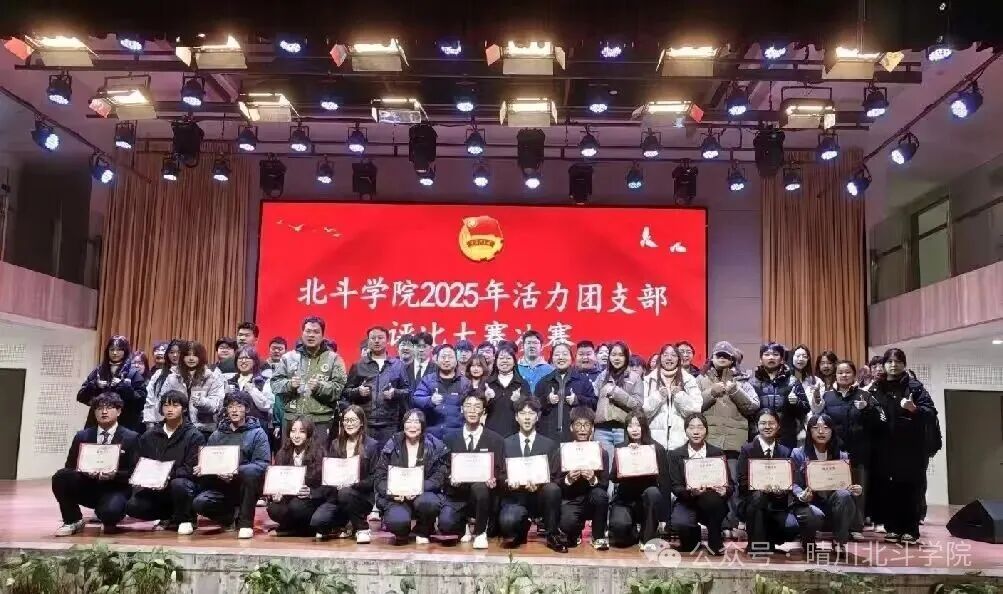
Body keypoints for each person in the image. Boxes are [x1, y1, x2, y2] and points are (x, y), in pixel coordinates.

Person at [870, 348, 936, 544]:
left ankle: (910, 530)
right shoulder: (877, 387)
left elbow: (931, 412)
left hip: (910, 448)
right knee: (888, 488)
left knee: (910, 488)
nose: (893, 365)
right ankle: (892, 528)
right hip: (885, 447)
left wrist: (914, 409)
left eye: (898, 361)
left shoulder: (914, 386)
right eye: (889, 361)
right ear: (883, 365)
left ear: (904, 364)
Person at [52, 393, 140, 536]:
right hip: (88, 485)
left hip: (115, 488)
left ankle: (108, 515)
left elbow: (135, 473)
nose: (104, 412)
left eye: (109, 408)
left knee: (110, 513)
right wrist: (84, 471)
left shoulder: (131, 437)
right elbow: (70, 467)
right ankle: (72, 520)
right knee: (61, 476)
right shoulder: (82, 436)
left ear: (118, 411)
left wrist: (114, 475)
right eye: (99, 408)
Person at [192, 390, 271, 539]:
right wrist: (203, 468)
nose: (234, 410)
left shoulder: (258, 433)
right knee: (199, 503)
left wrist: (235, 471)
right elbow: (209, 460)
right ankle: (230, 517)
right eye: (230, 406)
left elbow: (262, 464)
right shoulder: (217, 435)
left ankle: (245, 523)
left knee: (251, 473)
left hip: (245, 486)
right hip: (221, 485)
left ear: (247, 409)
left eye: (239, 406)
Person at [698, 341, 759, 532]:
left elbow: (753, 406)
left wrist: (734, 390)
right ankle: (714, 525)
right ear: (712, 358)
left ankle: (733, 524)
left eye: (726, 356)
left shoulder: (744, 381)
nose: (722, 358)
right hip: (709, 440)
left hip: (734, 442)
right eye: (719, 355)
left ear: (733, 360)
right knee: (710, 484)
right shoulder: (700, 380)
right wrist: (711, 392)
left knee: (733, 486)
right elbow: (692, 406)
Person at [820, 360, 886, 537]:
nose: (844, 375)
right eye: (840, 372)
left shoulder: (865, 395)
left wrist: (866, 410)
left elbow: (880, 422)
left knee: (857, 490)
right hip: (834, 453)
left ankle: (856, 527)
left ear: (854, 375)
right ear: (835, 375)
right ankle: (834, 526)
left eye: (848, 372)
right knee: (833, 489)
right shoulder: (826, 397)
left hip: (859, 452)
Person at [125, 390, 205, 535]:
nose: (170, 409)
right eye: (166, 405)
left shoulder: (194, 435)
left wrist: (167, 476)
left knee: (179, 484)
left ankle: (186, 519)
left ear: (184, 409)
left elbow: (191, 468)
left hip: (180, 485)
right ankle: (168, 516)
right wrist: (145, 478)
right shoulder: (149, 435)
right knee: (132, 506)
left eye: (175, 405)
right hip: (154, 487)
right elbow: (139, 463)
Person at [737, 408, 815, 554]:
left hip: (777, 504)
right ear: (757, 426)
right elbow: (742, 482)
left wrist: (780, 492)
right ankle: (757, 547)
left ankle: (770, 542)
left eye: (771, 423)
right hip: (752, 503)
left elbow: (790, 482)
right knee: (759, 497)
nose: (767, 427)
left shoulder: (785, 451)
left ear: (778, 426)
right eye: (763, 423)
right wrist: (759, 487)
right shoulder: (747, 450)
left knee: (791, 526)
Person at [498, 396, 566, 552]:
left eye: (531, 413)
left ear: (538, 416)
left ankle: (552, 534)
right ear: (516, 417)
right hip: (516, 498)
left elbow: (556, 478)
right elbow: (500, 474)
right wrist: (508, 482)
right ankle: (520, 530)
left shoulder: (549, 445)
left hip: (541, 498)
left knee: (552, 489)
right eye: (522, 413)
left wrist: (540, 484)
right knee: (508, 522)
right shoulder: (506, 443)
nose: (527, 417)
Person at [439, 393, 505, 549]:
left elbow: (501, 470)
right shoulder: (449, 438)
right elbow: (443, 468)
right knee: (446, 524)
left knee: (480, 487)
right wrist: (450, 478)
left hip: (484, 497)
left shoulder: (496, 440)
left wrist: (494, 479)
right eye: (468, 406)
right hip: (457, 496)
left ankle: (480, 532)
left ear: (484, 411)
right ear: (462, 410)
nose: (472, 410)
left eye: (477, 406)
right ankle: (464, 526)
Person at [374, 409, 449, 544]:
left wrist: (417, 488)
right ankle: (403, 531)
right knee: (398, 523)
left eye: (416, 422)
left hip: (423, 494)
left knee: (428, 503)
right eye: (409, 422)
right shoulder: (392, 444)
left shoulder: (434, 445)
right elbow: (380, 476)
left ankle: (424, 529)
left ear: (423, 425)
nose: (412, 426)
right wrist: (392, 492)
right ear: (403, 424)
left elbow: (439, 476)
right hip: (397, 497)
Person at [790, 414, 863, 553]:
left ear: (832, 431)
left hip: (832, 502)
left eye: (826, 427)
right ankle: (808, 541)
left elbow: (846, 485)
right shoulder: (798, 454)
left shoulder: (842, 456)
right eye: (816, 427)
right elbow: (793, 483)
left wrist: (855, 489)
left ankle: (839, 541)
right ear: (809, 431)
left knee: (844, 495)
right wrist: (801, 495)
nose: (821, 431)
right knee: (811, 514)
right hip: (808, 502)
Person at [270, 316, 347, 441]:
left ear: (322, 335)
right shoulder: (288, 358)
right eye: (308, 331)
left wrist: (319, 387)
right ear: (302, 333)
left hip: (320, 421)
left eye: (316, 332)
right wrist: (289, 385)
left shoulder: (334, 359)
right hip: (292, 419)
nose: (311, 335)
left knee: (317, 454)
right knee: (289, 454)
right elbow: (275, 384)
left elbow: (339, 388)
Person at [311, 405, 381, 543]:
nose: (349, 424)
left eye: (353, 420)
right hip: (337, 495)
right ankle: (343, 524)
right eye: (346, 420)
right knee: (318, 522)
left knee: (346, 493)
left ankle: (362, 528)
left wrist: (354, 484)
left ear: (361, 422)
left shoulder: (372, 445)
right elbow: (329, 473)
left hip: (362, 496)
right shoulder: (336, 444)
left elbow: (374, 477)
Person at [668, 413, 730, 555]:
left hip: (712, 502)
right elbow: (676, 486)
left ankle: (715, 540)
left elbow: (730, 484)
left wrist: (725, 491)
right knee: (685, 537)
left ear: (706, 430)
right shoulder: (675, 454)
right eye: (691, 428)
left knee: (712, 501)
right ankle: (693, 536)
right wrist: (691, 492)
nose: (696, 432)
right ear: (685, 430)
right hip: (687, 501)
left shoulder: (717, 452)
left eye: (700, 427)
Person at [608, 412, 671, 550]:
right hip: (625, 499)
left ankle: (648, 538)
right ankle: (634, 534)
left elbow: (665, 482)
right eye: (630, 426)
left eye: (638, 425)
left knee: (653, 492)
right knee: (619, 532)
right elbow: (613, 477)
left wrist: (665, 517)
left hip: (647, 499)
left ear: (644, 427)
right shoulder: (621, 447)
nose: (634, 429)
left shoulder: (657, 448)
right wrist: (627, 456)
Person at [342, 326, 411, 447]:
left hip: (390, 424)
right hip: (365, 423)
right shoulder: (359, 365)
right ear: (368, 341)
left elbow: (407, 391)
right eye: (373, 338)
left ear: (387, 340)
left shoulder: (397, 365)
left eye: (380, 338)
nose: (377, 341)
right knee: (365, 456)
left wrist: (394, 393)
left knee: (387, 456)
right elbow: (346, 392)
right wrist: (358, 391)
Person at [558, 407, 610, 550]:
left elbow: (605, 484)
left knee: (600, 495)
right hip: (571, 500)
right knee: (567, 525)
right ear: (571, 427)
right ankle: (575, 532)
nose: (582, 429)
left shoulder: (601, 453)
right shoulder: (563, 451)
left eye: (586, 425)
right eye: (578, 424)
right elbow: (555, 482)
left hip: (592, 499)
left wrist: (593, 479)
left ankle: (598, 537)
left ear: (592, 428)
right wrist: (568, 479)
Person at [266, 416, 324, 536]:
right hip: (289, 498)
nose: (296, 436)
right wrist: (276, 494)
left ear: (309, 433)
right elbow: (277, 480)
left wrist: (311, 493)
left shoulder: (319, 453)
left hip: (311, 501)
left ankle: (301, 529)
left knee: (297, 507)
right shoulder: (283, 453)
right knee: (274, 509)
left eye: (302, 431)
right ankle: (293, 529)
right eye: (293, 431)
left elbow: (326, 487)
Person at [77, 335, 148, 433]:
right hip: (97, 423)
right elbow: (81, 396)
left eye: (119, 350)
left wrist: (125, 387)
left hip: (125, 424)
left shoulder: (133, 373)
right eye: (112, 349)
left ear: (125, 351)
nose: (115, 353)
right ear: (107, 351)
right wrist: (94, 385)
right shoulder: (98, 371)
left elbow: (141, 402)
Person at [749, 342, 809, 449]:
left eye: (775, 354)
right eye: (767, 354)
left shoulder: (792, 382)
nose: (771, 357)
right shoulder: (752, 383)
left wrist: (796, 402)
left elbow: (806, 409)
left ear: (782, 360)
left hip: (786, 438)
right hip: (758, 438)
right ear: (760, 359)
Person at [642, 343, 703, 451]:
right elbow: (643, 411)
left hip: (681, 441)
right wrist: (658, 396)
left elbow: (696, 409)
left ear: (678, 359)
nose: (669, 358)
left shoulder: (689, 380)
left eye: (673, 355)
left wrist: (680, 396)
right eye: (665, 355)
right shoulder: (649, 380)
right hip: (654, 440)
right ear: (660, 358)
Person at [161, 340, 227, 438]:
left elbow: (217, 405)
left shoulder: (213, 376)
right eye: (188, 355)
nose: (191, 358)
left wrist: (202, 402)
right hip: (177, 429)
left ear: (201, 357)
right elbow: (162, 401)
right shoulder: (173, 377)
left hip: (205, 429)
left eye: (195, 355)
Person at [536, 342, 597, 442]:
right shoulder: (544, 381)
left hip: (575, 435)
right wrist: (547, 400)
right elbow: (534, 405)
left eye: (565, 354)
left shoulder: (583, 380)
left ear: (571, 358)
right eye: (557, 354)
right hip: (548, 434)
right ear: (552, 359)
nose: (561, 357)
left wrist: (578, 400)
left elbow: (594, 404)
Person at [592, 341, 644, 460]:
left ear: (626, 357)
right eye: (613, 354)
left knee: (624, 465)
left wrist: (617, 393)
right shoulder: (602, 376)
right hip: (601, 430)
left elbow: (638, 405)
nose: (617, 358)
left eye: (621, 355)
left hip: (623, 429)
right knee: (605, 466)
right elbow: (593, 400)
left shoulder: (635, 377)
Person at [412, 344, 471, 441]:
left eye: (450, 357)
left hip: (457, 436)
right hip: (431, 436)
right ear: (436, 360)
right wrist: (430, 400)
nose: (446, 360)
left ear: (456, 360)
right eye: (443, 357)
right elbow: (416, 399)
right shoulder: (428, 380)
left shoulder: (465, 382)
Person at [484, 345, 531, 437]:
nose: (504, 361)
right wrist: (486, 399)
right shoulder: (488, 384)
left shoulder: (522, 384)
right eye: (501, 358)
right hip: (491, 433)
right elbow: (479, 410)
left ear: (514, 362)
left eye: (508, 358)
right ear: (496, 362)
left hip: (516, 433)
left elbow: (530, 410)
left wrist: (519, 401)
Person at [228, 347, 275, 429]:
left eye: (247, 358)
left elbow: (267, 406)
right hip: (233, 426)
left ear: (255, 361)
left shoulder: (263, 381)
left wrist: (253, 390)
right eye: (240, 358)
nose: (243, 361)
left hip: (257, 427)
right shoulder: (230, 382)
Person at [143, 339, 181, 429]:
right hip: (159, 421)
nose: (175, 355)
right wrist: (149, 422)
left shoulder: (188, 374)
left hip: (182, 422)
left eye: (178, 352)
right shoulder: (158, 374)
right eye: (171, 352)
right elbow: (150, 399)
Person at [790, 345, 826, 418]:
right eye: (798, 356)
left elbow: (817, 410)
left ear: (808, 359)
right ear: (791, 357)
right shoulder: (784, 379)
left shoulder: (816, 381)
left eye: (804, 356)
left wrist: (816, 398)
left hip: (809, 422)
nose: (801, 359)